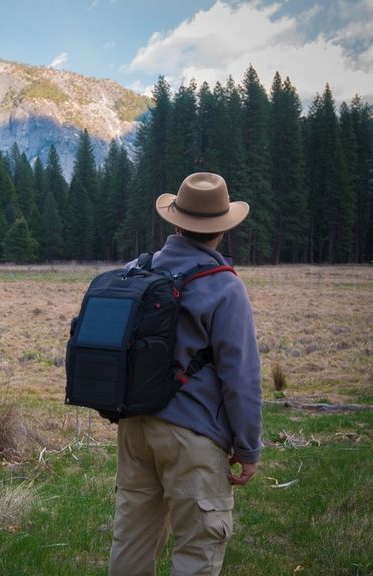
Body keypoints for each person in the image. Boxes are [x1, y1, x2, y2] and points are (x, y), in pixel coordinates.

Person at [108, 172, 262, 576]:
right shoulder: (225, 288)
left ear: (176, 221)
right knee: (197, 548)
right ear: (222, 231)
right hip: (191, 435)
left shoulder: (135, 270)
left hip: (135, 426)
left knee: (132, 540)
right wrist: (247, 448)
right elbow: (241, 376)